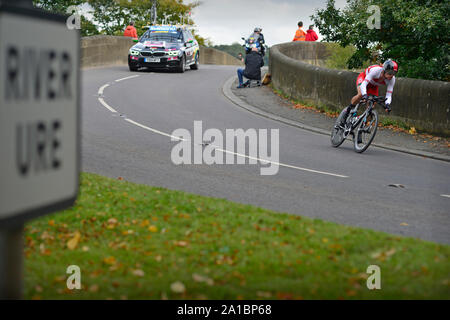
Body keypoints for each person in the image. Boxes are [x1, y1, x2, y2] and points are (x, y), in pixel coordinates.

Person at [340, 59, 399, 125]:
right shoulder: (376, 71)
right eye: (390, 73)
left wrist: (387, 104)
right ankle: (347, 111)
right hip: (363, 79)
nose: (392, 75)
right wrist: (365, 94)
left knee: (372, 106)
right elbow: (364, 84)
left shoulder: (392, 79)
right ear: (384, 70)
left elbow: (389, 94)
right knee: (360, 95)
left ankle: (361, 124)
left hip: (374, 86)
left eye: (394, 73)